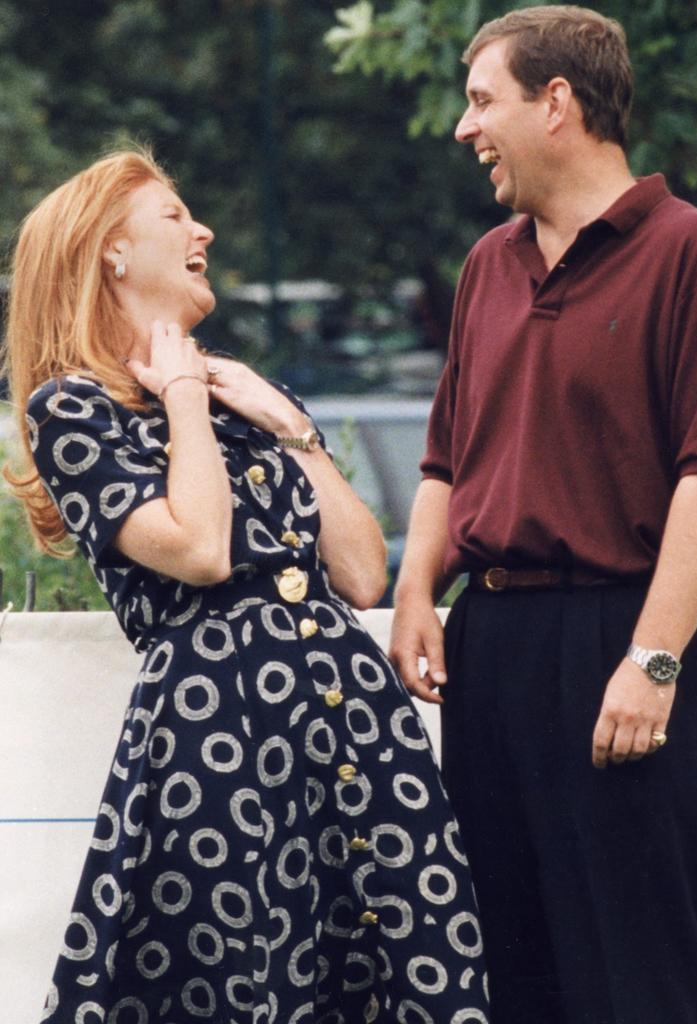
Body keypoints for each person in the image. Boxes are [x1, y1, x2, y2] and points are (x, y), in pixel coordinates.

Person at [2, 150, 491, 1024]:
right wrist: (185, 396)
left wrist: (289, 425)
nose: (205, 232)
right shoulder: (71, 409)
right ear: (109, 251)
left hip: (353, 721)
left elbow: (360, 573)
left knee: (408, 961)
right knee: (241, 975)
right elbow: (199, 551)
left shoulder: (236, 394)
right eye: (175, 216)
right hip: (223, 736)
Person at [390, 7, 697, 1024]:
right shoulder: (487, 266)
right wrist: (417, 589)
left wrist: (653, 660)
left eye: (482, 101)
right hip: (492, 646)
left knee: (645, 974)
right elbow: (445, 460)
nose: (466, 129)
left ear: (557, 103)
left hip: (623, 637)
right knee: (511, 969)